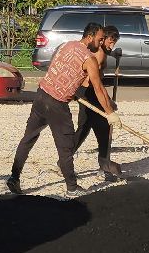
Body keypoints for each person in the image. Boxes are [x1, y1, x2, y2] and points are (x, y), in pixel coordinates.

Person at [10, 24, 117, 195]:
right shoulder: (90, 59)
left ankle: (14, 178)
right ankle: (72, 189)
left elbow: (58, 67)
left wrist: (69, 88)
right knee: (65, 148)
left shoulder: (67, 45)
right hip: (57, 105)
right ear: (90, 37)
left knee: (28, 138)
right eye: (100, 39)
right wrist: (110, 113)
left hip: (41, 95)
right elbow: (98, 88)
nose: (101, 42)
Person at [77, 25, 123, 181]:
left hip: (86, 93)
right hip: (89, 94)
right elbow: (94, 83)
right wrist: (108, 103)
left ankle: (64, 160)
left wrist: (115, 55)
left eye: (114, 42)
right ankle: (104, 167)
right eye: (110, 41)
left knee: (84, 129)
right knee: (102, 129)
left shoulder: (100, 52)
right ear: (103, 39)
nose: (112, 45)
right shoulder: (100, 54)